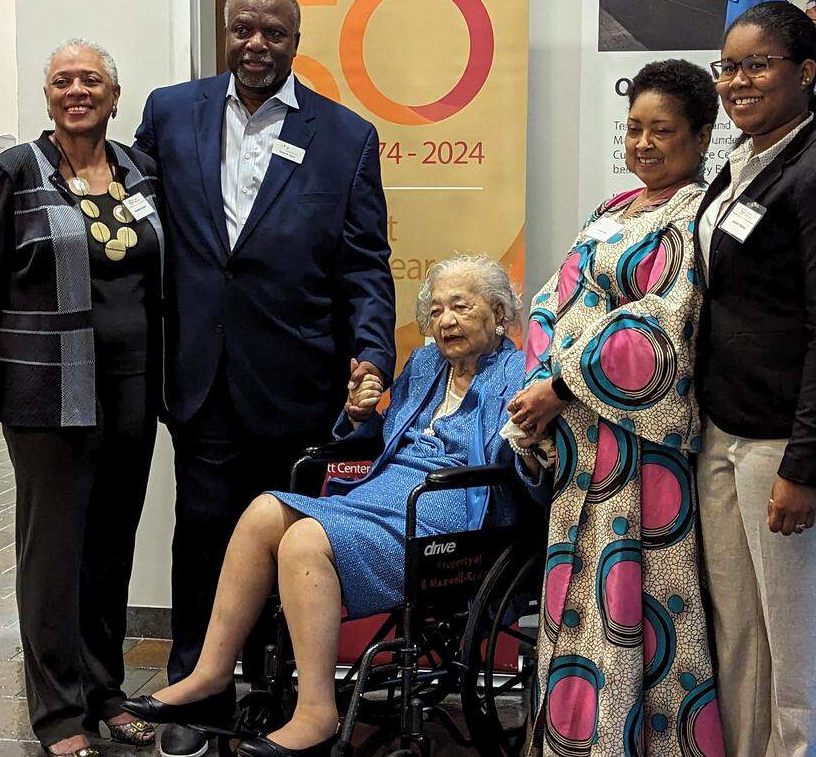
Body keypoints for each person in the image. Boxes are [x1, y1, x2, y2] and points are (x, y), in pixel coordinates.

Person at [0, 0, 397, 757]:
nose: (257, 44)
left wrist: (372, 349)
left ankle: (280, 691)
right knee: (200, 539)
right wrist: (9, 207)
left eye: (274, 32)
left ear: (296, 42)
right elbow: (107, 187)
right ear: (225, 34)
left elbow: (366, 263)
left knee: (289, 540)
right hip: (196, 376)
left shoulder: (347, 137)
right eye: (244, 29)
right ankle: (198, 687)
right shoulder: (171, 112)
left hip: (295, 378)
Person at [121, 256, 524, 757]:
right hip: (386, 493)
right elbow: (385, 436)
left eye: (461, 308)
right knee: (265, 509)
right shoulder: (423, 365)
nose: (445, 321)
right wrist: (358, 414)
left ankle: (316, 712)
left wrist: (527, 440)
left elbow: (520, 465)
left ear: (499, 312)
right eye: (436, 310)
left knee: (306, 540)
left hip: (452, 510)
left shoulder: (520, 375)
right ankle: (210, 672)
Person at [0, 39, 163, 756]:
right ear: (47, 96)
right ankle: (59, 715)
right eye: (63, 80)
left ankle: (105, 692)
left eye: (91, 79)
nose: (78, 90)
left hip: (130, 393)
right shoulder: (17, 171)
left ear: (115, 92)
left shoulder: (140, 169)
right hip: (46, 395)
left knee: (109, 554)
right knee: (52, 560)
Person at [508, 60, 725, 755]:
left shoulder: (692, 215)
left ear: (700, 136)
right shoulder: (611, 211)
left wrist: (561, 383)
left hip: (636, 451)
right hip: (580, 451)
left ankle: (629, 742)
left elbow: (661, 327)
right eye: (634, 128)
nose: (644, 144)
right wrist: (540, 375)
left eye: (663, 130)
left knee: (633, 602)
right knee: (576, 602)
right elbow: (550, 300)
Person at [697, 0, 816, 755]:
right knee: (740, 631)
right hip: (729, 426)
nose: (737, 81)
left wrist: (806, 465)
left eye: (757, 64)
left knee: (799, 639)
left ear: (806, 71)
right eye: (728, 66)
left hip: (801, 438)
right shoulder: (747, 159)